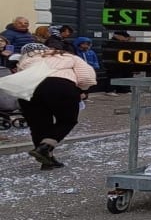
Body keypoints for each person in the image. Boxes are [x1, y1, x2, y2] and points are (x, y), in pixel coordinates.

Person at [15, 42, 97, 170]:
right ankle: (46, 147)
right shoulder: (70, 57)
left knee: (39, 124)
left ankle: (47, 160)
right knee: (67, 120)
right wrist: (82, 90)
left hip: (29, 88)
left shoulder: (26, 60)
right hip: (60, 85)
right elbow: (86, 77)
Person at [104, 29, 134, 94]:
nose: (126, 38)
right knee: (113, 76)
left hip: (125, 63)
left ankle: (124, 90)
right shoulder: (112, 43)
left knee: (125, 76)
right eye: (124, 37)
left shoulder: (124, 43)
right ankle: (110, 90)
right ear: (118, 36)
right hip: (114, 64)